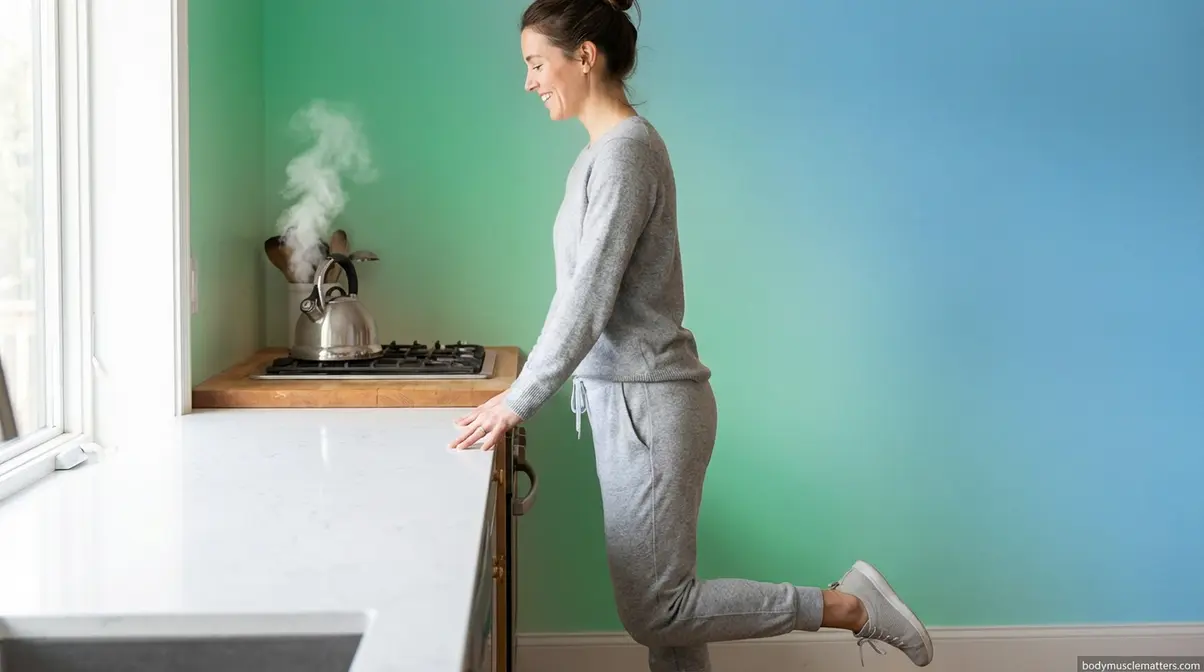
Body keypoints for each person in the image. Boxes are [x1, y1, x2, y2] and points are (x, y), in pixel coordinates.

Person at [450, 0, 935, 669]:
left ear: (584, 56)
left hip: (648, 406)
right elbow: (580, 295)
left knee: (657, 607)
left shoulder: (626, 154)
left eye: (537, 63)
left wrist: (517, 399)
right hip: (630, 401)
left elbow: (588, 296)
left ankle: (848, 605)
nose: (529, 80)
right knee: (670, 628)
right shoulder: (602, 156)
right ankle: (843, 605)